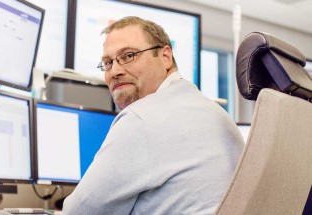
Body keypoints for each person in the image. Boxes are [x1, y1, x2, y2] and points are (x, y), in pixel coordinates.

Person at [62, 16, 244, 215]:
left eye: (129, 55)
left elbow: (79, 212)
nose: (114, 71)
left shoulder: (140, 119)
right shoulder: (217, 113)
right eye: (107, 63)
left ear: (165, 56)